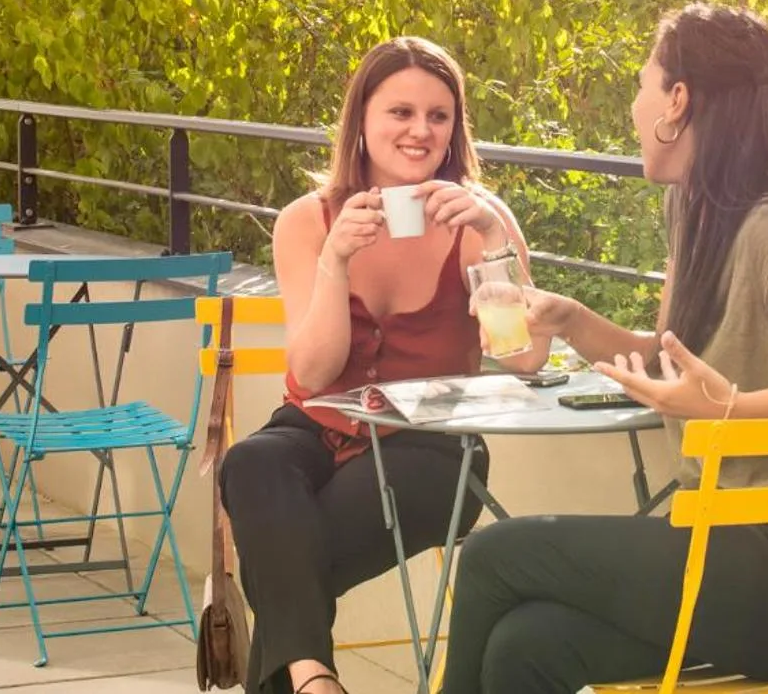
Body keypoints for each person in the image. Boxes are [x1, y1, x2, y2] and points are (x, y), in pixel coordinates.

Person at [440, 3, 768, 694]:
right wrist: (572, 319)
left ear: (677, 100)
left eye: (641, 84)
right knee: (525, 648)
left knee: (494, 555)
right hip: (734, 548)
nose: (633, 106)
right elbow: (668, 360)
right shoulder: (697, 211)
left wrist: (732, 407)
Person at [220, 36, 547, 694]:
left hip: (430, 446)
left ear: (455, 130)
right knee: (251, 461)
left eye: (438, 115)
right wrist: (335, 260)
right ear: (362, 121)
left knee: (282, 557)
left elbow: (525, 356)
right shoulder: (307, 221)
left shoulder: (478, 220)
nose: (420, 130)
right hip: (316, 423)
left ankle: (307, 678)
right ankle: (316, 680)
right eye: (401, 112)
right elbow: (313, 373)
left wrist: (492, 241)